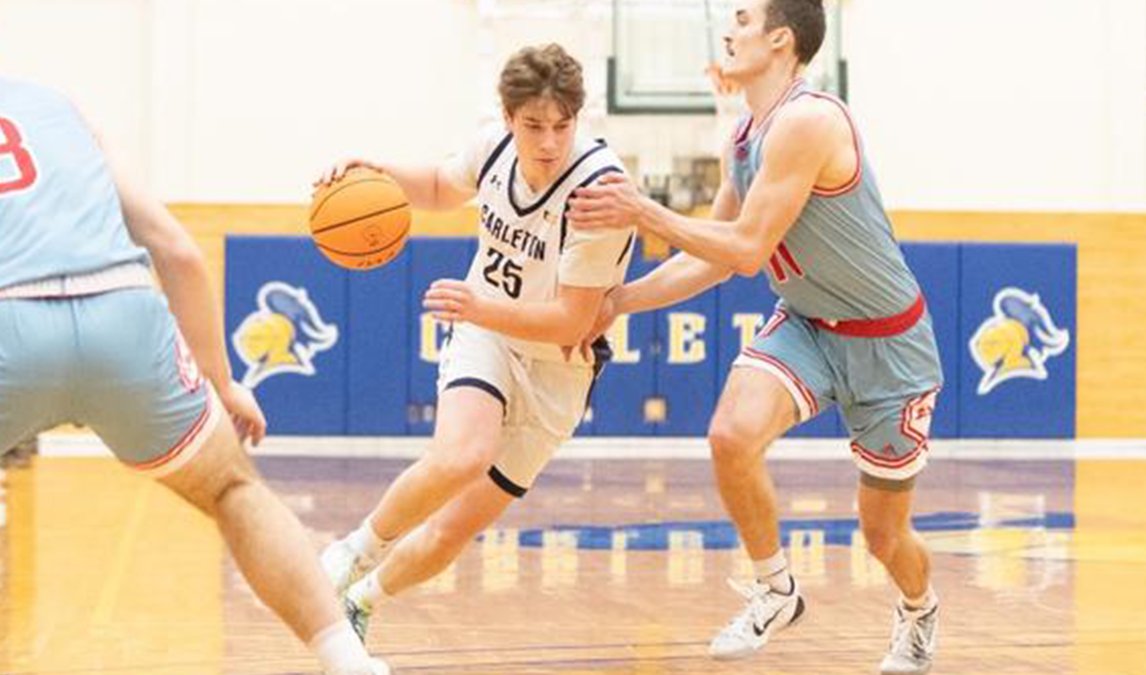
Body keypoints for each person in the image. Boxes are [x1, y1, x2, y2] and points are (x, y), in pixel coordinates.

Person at [567, 1, 943, 673]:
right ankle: (776, 589)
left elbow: (745, 250)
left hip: (888, 344)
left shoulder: (809, 121)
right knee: (730, 436)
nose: (729, 30)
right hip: (807, 324)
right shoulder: (743, 138)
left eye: (742, 18)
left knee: (884, 537)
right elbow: (712, 258)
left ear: (780, 39)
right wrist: (617, 302)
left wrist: (643, 209)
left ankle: (919, 610)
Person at [0, 76, 388, 675]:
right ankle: (349, 662)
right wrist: (222, 384)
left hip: (8, 319)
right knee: (234, 489)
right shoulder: (61, 104)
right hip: (122, 308)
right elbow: (177, 250)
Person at [315, 44, 635, 642]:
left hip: (557, 365)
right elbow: (441, 187)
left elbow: (572, 321)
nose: (549, 142)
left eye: (562, 125)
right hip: (487, 330)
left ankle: (361, 601)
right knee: (461, 454)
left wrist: (479, 305)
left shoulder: (599, 194)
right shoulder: (491, 147)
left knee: (453, 530)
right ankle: (350, 553)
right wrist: (377, 172)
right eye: (533, 125)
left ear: (578, 118)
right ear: (508, 117)